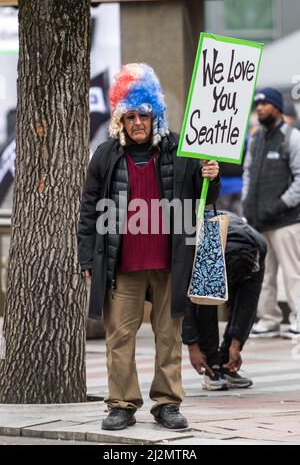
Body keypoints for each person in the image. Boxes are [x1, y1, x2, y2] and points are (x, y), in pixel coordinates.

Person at [78, 63, 220, 430]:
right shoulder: (105, 155)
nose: (138, 121)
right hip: (120, 264)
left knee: (168, 337)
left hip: (170, 261)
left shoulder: (181, 151)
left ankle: (167, 403)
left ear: (154, 114)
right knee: (119, 337)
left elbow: (203, 202)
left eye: (144, 114)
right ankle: (121, 404)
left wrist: (211, 178)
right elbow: (89, 208)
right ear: (121, 119)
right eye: (130, 116)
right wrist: (86, 256)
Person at [182, 212, 267, 390]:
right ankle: (212, 365)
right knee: (205, 301)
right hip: (208, 237)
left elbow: (248, 303)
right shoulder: (207, 246)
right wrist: (193, 346)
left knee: (243, 297)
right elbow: (187, 304)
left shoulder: (258, 248)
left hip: (234, 243)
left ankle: (226, 362)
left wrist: (236, 344)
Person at [242, 87, 300, 339]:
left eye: (266, 104)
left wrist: (280, 204)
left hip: (286, 220)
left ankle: (298, 317)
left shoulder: (292, 138)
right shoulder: (255, 138)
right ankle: (269, 319)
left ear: (277, 107)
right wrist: (246, 203)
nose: (261, 108)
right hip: (259, 221)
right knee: (263, 274)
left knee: (293, 272)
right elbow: (248, 174)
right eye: (258, 105)